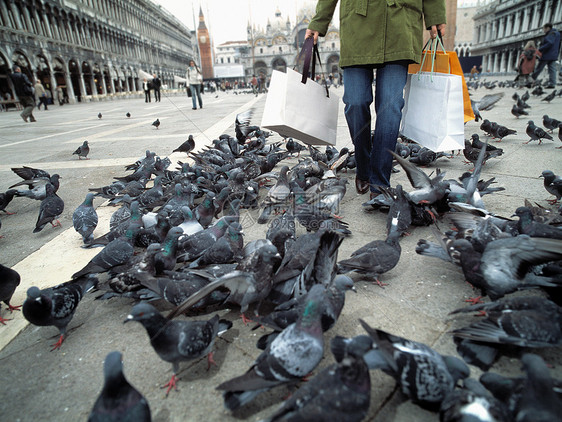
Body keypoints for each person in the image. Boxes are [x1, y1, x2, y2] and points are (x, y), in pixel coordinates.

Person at [306, 1, 446, 198]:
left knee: (391, 107)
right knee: (355, 102)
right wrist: (319, 21)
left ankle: (379, 181)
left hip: (399, 22)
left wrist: (435, 14)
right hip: (358, 22)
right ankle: (363, 165)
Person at [532, 23, 561, 88]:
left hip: (547, 54)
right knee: (552, 69)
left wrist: (540, 49)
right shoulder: (558, 34)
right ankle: (552, 83)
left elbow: (549, 43)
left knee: (539, 68)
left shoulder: (550, 34)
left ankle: (530, 81)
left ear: (547, 28)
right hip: (554, 55)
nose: (543, 30)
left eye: (544, 28)